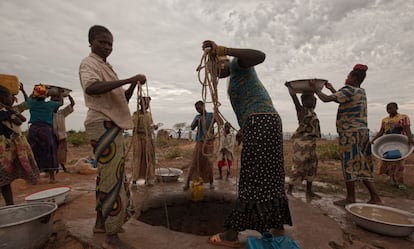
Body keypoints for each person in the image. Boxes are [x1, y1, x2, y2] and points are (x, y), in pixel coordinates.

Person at [201, 41, 292, 247]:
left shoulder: (237, 64)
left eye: (216, 66)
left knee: (251, 177)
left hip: (260, 122)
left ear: (223, 61)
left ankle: (231, 234)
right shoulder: (234, 77)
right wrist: (243, 129)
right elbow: (249, 103)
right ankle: (277, 225)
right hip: (266, 121)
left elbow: (260, 54)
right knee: (271, 174)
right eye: (212, 69)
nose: (215, 71)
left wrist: (224, 50)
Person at [79, 24, 145, 249]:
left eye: (110, 44)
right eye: (102, 42)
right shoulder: (89, 64)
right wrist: (127, 79)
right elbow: (91, 88)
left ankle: (101, 223)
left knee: (107, 175)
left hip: (111, 123)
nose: (107, 47)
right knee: (112, 179)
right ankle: (112, 235)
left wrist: (132, 86)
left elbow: (120, 100)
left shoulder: (107, 67)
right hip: (102, 123)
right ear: (91, 42)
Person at [313, 64, 382, 207]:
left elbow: (326, 99)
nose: (346, 78)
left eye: (348, 76)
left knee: (349, 164)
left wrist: (315, 89)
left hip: (350, 134)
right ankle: (375, 197)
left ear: (354, 78)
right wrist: (332, 89)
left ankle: (351, 198)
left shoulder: (348, 90)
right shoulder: (361, 91)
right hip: (363, 133)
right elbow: (341, 97)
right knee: (363, 165)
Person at [0, 85, 39, 205]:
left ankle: (10, 206)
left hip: (8, 151)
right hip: (3, 152)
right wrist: (10, 114)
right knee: (3, 180)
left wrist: (23, 90)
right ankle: (9, 207)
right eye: (9, 96)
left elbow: (23, 114)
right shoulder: (5, 112)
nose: (12, 98)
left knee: (5, 182)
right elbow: (18, 120)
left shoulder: (11, 110)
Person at [286, 87, 321, 199]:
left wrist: (314, 88)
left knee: (311, 166)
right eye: (310, 100)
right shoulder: (302, 111)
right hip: (302, 143)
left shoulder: (312, 112)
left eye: (314, 100)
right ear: (303, 101)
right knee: (298, 166)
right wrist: (292, 91)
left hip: (311, 143)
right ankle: (289, 190)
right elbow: (295, 100)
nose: (313, 101)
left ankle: (309, 191)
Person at [371, 102, 414, 190]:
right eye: (388, 109)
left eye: (391, 108)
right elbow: (381, 131)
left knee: (399, 163)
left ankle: (400, 182)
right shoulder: (385, 120)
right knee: (389, 162)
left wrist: (410, 139)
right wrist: (373, 139)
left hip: (400, 144)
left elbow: (407, 129)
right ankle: (392, 179)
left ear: (396, 108)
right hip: (389, 144)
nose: (389, 110)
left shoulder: (403, 118)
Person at [27, 84, 60, 184]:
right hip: (46, 130)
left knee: (34, 152)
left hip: (33, 130)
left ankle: (34, 178)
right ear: (46, 96)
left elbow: (29, 97)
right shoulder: (50, 104)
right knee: (49, 152)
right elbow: (60, 102)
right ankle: (52, 178)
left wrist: (30, 90)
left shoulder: (31, 103)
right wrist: (60, 93)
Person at [183, 100, 216, 191]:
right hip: (200, 142)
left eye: (199, 108)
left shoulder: (211, 115)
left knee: (209, 163)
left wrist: (217, 113)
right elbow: (192, 127)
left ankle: (211, 183)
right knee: (194, 162)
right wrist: (196, 122)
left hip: (209, 143)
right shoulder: (197, 117)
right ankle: (187, 183)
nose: (198, 110)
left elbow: (220, 123)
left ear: (204, 106)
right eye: (197, 109)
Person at [131, 96, 158, 187]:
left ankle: (149, 179)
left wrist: (153, 127)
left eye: (148, 104)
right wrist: (145, 131)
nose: (146, 105)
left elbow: (150, 125)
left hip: (148, 139)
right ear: (140, 104)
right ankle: (134, 180)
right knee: (138, 158)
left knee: (149, 158)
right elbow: (134, 128)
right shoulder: (136, 114)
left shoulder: (149, 114)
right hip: (139, 140)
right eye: (145, 103)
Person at [52, 93, 75, 173]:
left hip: (62, 136)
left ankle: (62, 167)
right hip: (53, 136)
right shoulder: (49, 113)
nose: (57, 105)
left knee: (62, 153)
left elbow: (72, 104)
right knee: (53, 152)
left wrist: (69, 96)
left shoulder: (61, 112)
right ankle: (55, 168)